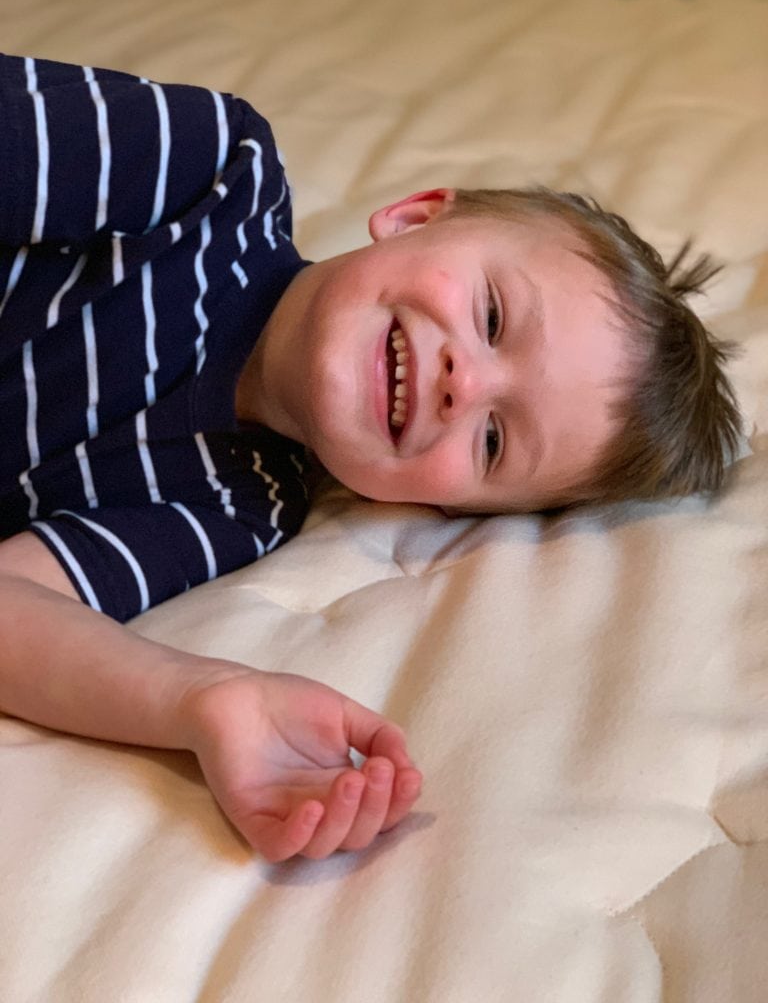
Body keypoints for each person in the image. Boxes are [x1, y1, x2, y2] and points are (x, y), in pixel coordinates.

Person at [0, 54, 742, 862]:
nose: (467, 383)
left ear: (441, 509)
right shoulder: (210, 171)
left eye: (493, 441)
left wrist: (201, 699)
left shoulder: (236, 506)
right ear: (417, 216)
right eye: (492, 315)